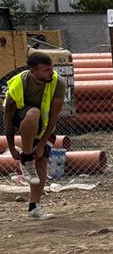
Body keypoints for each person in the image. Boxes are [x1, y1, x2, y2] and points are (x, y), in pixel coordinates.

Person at [4, 52, 65, 221]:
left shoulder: (58, 83)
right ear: (33, 72)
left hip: (44, 127)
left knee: (42, 161)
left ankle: (34, 206)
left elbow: (53, 117)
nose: (51, 72)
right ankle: (26, 157)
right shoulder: (18, 83)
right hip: (23, 120)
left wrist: (42, 144)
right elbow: (8, 118)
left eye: (51, 68)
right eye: (46, 70)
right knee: (33, 113)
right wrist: (11, 147)